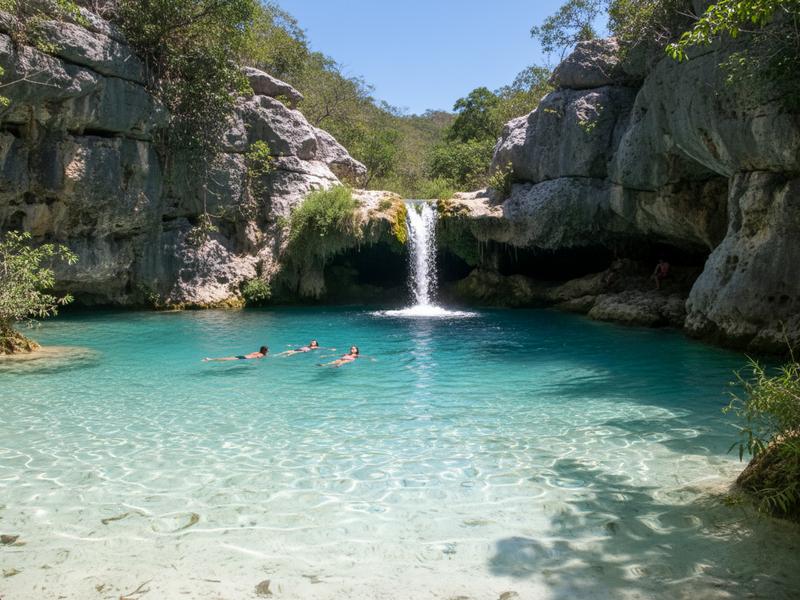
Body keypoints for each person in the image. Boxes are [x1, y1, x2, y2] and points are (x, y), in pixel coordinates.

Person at [203, 346, 268, 362]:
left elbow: (251, 354)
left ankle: (210, 359)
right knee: (226, 360)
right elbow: (258, 358)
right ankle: (210, 359)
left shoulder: (256, 352)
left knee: (226, 358)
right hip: (244, 358)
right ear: (264, 350)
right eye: (267, 350)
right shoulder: (261, 354)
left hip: (243, 356)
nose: (267, 351)